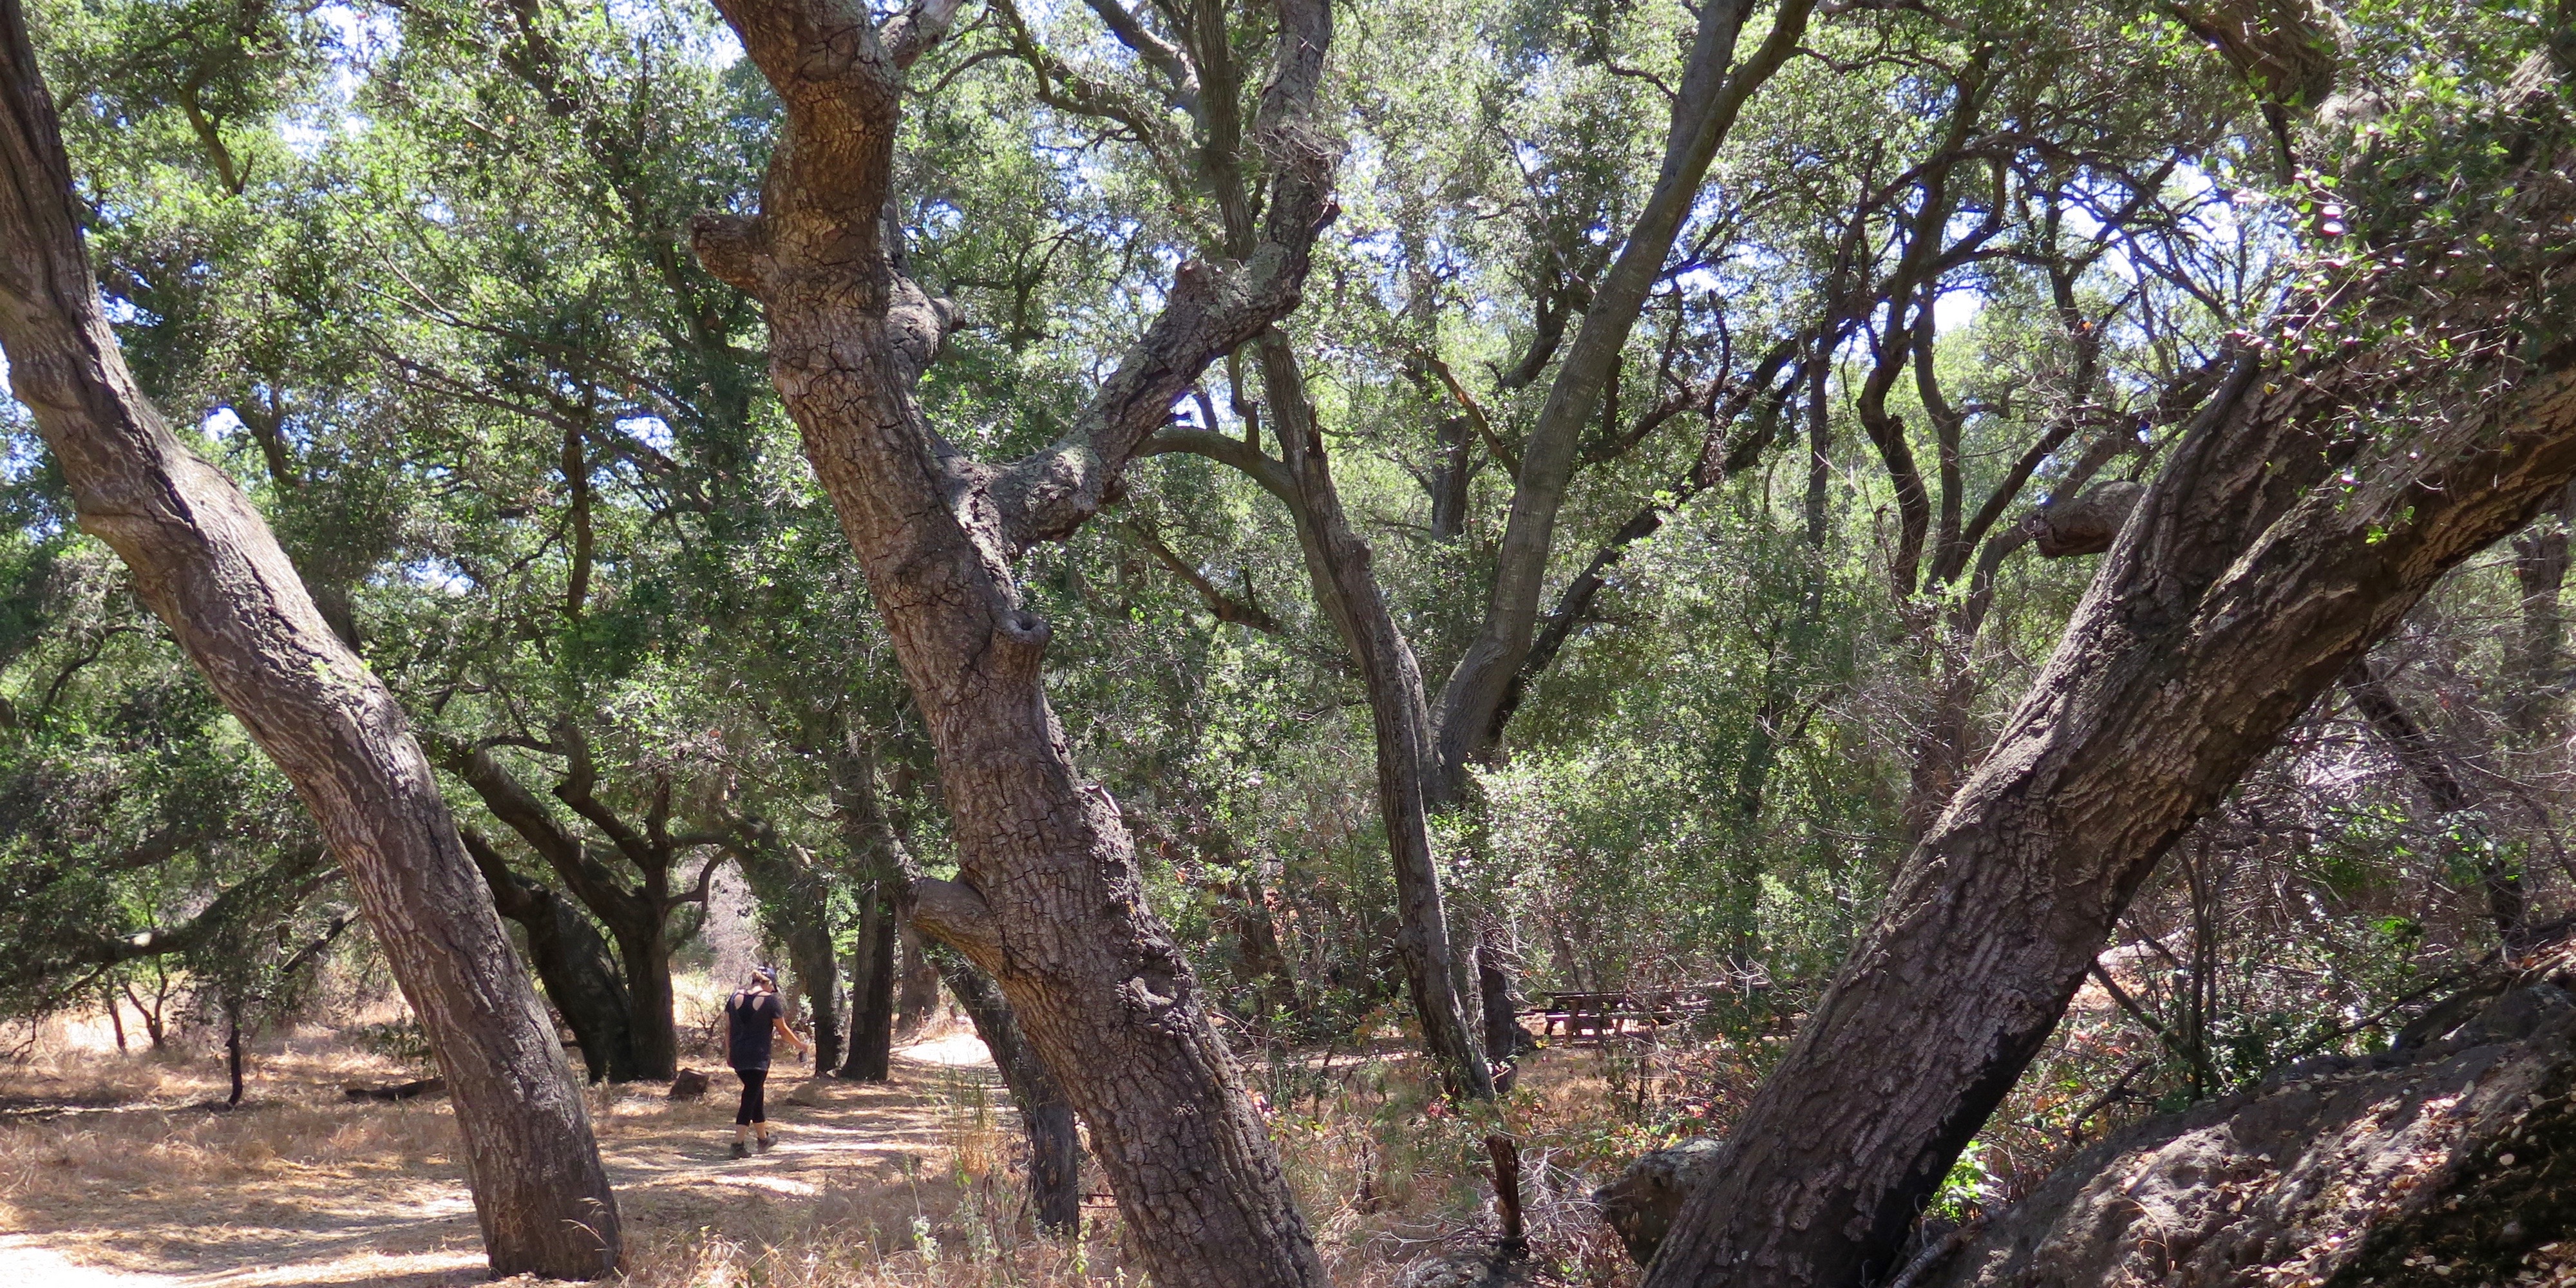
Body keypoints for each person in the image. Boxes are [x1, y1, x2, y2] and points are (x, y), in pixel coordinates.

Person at [724, 965, 807, 1158]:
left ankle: (763, 1139)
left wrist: (729, 1053)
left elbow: (728, 1028)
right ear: (768, 982)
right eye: (773, 986)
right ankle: (737, 1144)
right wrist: (801, 1046)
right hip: (758, 1056)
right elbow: (784, 1031)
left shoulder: (734, 997)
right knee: (750, 1097)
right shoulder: (770, 1001)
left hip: (738, 1055)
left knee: (756, 1094)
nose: (773, 990)